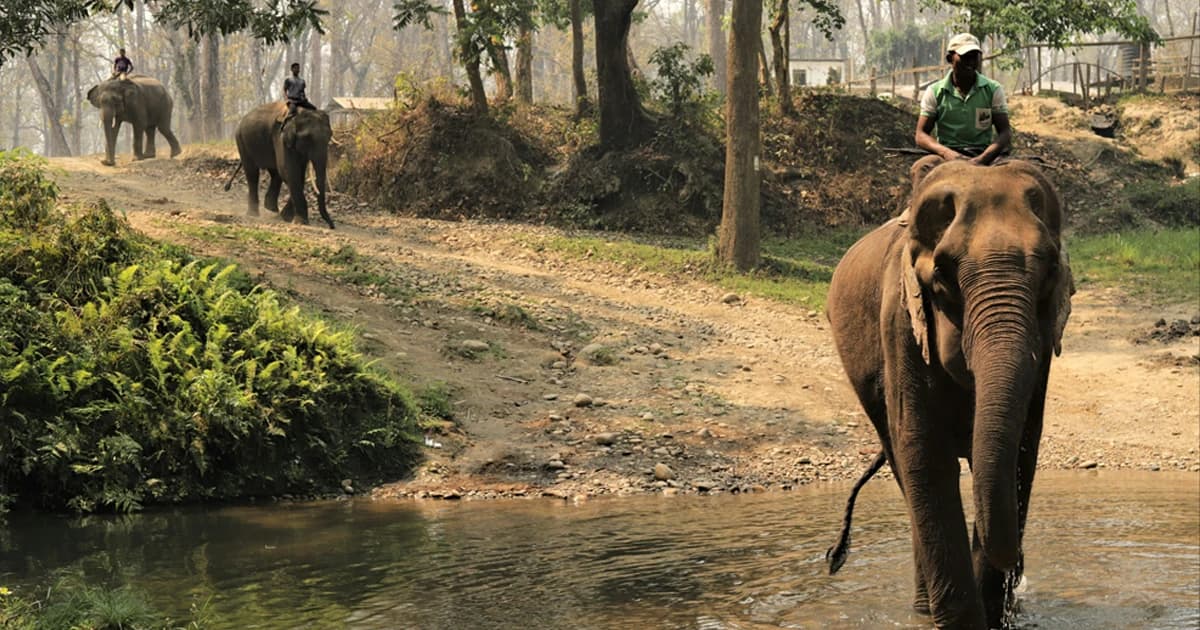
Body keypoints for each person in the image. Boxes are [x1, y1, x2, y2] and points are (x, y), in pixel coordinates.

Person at [914, 33, 1011, 166]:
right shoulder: (935, 92)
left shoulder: (993, 90)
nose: (971, 62)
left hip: (984, 153)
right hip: (946, 155)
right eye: (965, 57)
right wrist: (946, 153)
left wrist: (982, 158)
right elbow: (921, 135)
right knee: (920, 168)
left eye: (974, 56)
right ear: (950, 58)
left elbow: (1005, 132)